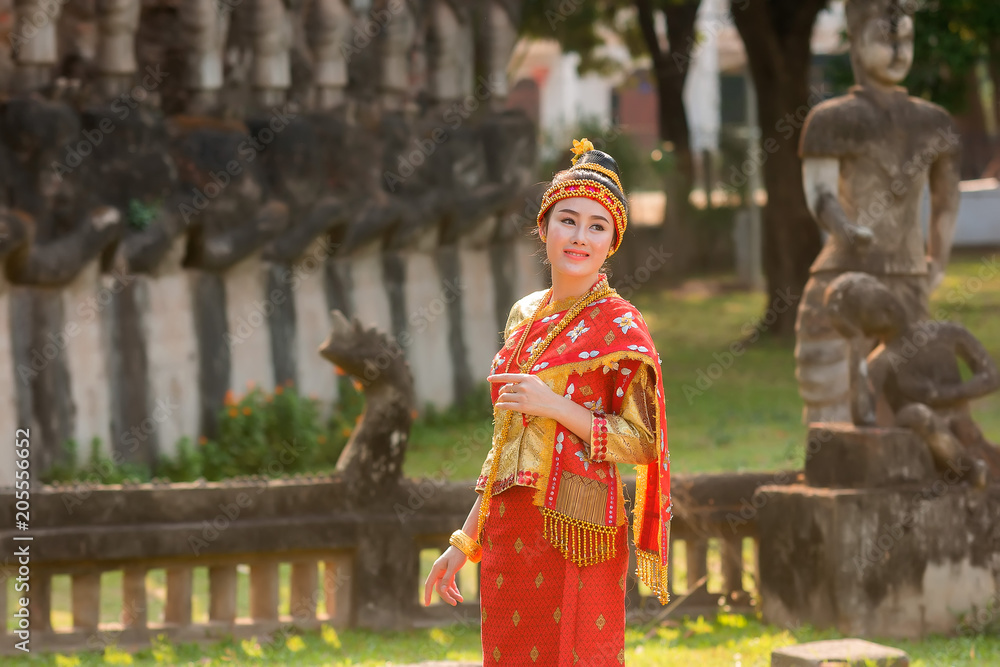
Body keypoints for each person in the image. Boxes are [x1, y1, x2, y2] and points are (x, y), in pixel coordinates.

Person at [423, 139, 672, 665]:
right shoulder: (524, 315)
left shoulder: (622, 326)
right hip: (509, 530)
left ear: (612, 243)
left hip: (577, 523)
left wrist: (556, 406)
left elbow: (644, 441)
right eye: (568, 220)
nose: (580, 237)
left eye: (597, 226)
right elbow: (505, 448)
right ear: (544, 227)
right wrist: (464, 542)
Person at [795, 0, 960, 424]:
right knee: (830, 405)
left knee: (912, 398)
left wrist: (936, 262)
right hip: (842, 278)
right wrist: (845, 228)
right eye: (886, 38)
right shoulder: (832, 119)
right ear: (856, 44)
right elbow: (820, 195)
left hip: (908, 276)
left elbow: (946, 201)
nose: (898, 50)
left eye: (905, 39)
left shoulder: (934, 122)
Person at [824, 271, 1000, 487]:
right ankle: (969, 471)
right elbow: (863, 417)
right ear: (866, 330)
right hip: (919, 440)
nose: (891, 309)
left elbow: (992, 376)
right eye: (878, 312)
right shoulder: (881, 361)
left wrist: (943, 395)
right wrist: (853, 341)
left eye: (887, 298)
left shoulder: (946, 333)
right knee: (914, 413)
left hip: (962, 429)